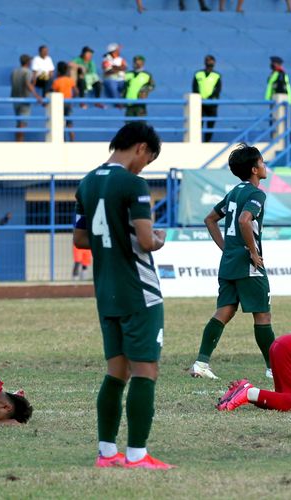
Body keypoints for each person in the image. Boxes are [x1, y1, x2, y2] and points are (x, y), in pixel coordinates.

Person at [73, 122, 173, 470]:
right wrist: (160, 238)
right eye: (148, 159)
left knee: (116, 371)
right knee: (146, 369)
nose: (144, 167)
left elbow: (81, 240)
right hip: (139, 291)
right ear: (141, 148)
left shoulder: (87, 182)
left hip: (106, 291)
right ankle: (137, 455)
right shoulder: (134, 184)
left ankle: (106, 452)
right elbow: (146, 241)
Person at [188, 144, 274, 381]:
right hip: (248, 266)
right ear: (255, 169)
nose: (265, 165)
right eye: (262, 162)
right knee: (262, 316)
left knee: (224, 311)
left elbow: (210, 219)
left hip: (229, 264)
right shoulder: (257, 194)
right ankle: (272, 368)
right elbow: (246, 221)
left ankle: (201, 363)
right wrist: (253, 252)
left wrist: (228, 249)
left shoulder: (235, 192)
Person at [10, 54, 43, 142]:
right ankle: (20, 143)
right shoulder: (28, 72)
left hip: (15, 98)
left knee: (18, 123)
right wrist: (36, 95)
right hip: (25, 99)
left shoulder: (14, 71)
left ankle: (18, 141)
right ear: (28, 62)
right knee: (22, 123)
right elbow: (28, 84)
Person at [193, 55, 222, 143]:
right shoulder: (198, 74)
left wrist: (211, 97)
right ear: (205, 62)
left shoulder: (216, 75)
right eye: (208, 61)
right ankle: (199, 141)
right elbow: (195, 87)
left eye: (211, 61)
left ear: (214, 63)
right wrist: (199, 97)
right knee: (198, 123)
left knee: (210, 123)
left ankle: (207, 141)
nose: (209, 63)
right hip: (200, 104)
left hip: (212, 104)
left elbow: (218, 89)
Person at [264, 56, 291, 137]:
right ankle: (290, 137)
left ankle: (290, 138)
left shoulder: (281, 74)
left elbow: (281, 88)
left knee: (279, 120)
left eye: (273, 63)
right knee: (275, 120)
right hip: (273, 100)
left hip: (280, 101)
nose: (271, 64)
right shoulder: (274, 73)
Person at [52, 61, 78, 142]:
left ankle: (63, 140)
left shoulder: (56, 81)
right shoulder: (70, 80)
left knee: (60, 124)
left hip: (60, 104)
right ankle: (72, 141)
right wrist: (72, 97)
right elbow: (76, 91)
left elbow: (53, 92)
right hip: (68, 103)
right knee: (69, 123)